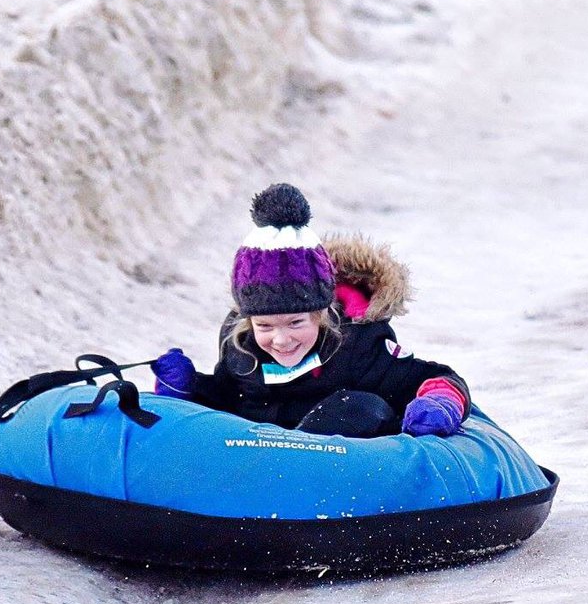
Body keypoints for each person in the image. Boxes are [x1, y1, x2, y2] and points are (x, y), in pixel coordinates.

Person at [151, 183, 470, 439]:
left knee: (359, 407)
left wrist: (438, 402)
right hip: (255, 462)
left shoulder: (357, 344)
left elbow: (435, 377)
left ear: (322, 313)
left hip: (342, 463)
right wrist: (188, 388)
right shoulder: (241, 347)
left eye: (295, 322)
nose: (280, 339)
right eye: (264, 325)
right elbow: (231, 400)